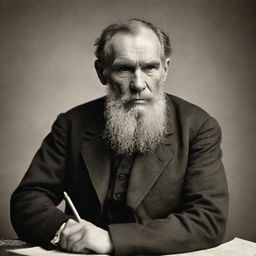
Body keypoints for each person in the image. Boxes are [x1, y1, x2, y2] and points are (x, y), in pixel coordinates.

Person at [10, 18, 229, 255]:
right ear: (102, 72)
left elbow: (208, 220)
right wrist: (64, 229)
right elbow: (27, 199)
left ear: (165, 69)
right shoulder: (71, 124)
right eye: (124, 68)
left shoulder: (198, 127)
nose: (138, 83)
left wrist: (112, 240)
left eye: (150, 67)